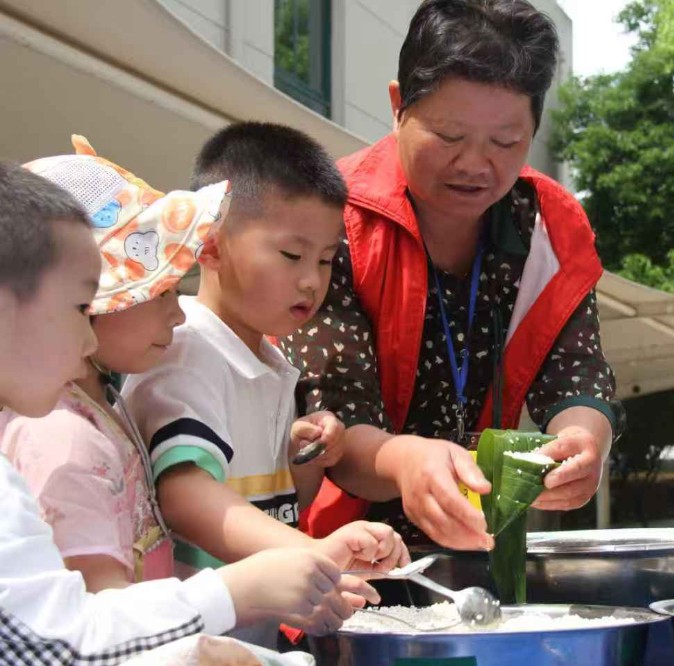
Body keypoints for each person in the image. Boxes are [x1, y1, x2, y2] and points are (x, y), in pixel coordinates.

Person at [283, 0, 623, 551]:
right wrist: (406, 460)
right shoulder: (331, 219)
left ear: (534, 128)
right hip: (337, 552)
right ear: (398, 106)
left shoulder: (547, 227)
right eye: (448, 135)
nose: (474, 164)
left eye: (506, 142)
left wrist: (585, 439)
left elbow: (577, 372)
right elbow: (333, 418)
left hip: (482, 545)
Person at [0, 159, 370, 662]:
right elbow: (84, 636)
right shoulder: (62, 436)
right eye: (80, 307)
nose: (88, 334)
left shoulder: (98, 411)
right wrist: (246, 590)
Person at [121, 123, 409, 647]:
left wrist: (307, 459)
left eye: (326, 260)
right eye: (291, 255)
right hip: (186, 644)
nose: (312, 280)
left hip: (245, 641)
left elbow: (273, 503)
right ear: (208, 247)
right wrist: (312, 551)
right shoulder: (186, 348)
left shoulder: (268, 357)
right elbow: (184, 495)